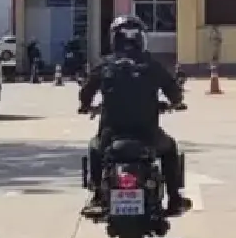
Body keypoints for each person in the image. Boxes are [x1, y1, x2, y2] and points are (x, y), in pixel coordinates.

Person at [79, 16, 190, 215]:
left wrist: (86, 106)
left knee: (95, 149)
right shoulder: (152, 65)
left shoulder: (105, 65)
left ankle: (96, 195)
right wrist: (176, 103)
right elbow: (173, 91)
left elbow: (86, 92)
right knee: (170, 148)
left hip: (111, 135)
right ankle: (174, 198)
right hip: (147, 134)